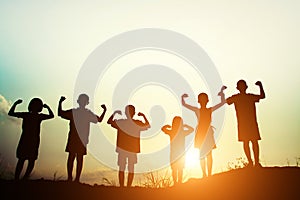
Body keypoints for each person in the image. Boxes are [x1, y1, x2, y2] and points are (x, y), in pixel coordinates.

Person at [58, 94, 107, 182]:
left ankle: (75, 178)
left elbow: (98, 120)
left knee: (76, 157)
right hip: (76, 138)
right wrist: (60, 102)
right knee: (74, 157)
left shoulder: (83, 113)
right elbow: (60, 113)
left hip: (80, 139)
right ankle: (72, 178)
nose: (83, 102)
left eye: (84, 101)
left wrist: (104, 111)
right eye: (82, 100)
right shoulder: (80, 112)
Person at [182, 86, 226, 178]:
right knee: (203, 154)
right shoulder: (198, 110)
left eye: (204, 99)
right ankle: (205, 174)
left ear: (207, 101)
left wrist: (222, 93)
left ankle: (208, 174)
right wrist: (183, 98)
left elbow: (222, 102)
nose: (203, 101)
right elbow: (185, 105)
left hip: (207, 133)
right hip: (202, 133)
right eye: (201, 99)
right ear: (199, 101)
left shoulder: (208, 110)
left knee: (208, 154)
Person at [8, 98, 54, 180]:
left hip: (29, 140)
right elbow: (51, 115)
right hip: (29, 140)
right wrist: (47, 107)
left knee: (26, 160)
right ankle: (20, 178)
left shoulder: (30, 115)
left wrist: (16, 104)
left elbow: (11, 113)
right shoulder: (35, 116)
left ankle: (21, 178)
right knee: (26, 160)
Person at [107, 105, 150, 187]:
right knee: (129, 168)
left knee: (123, 168)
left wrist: (115, 114)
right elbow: (147, 125)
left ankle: (123, 186)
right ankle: (126, 186)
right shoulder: (135, 123)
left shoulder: (122, 122)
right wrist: (143, 116)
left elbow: (109, 122)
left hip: (125, 148)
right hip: (130, 149)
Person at [226, 80, 265, 167]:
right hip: (246, 123)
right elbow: (227, 101)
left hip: (249, 123)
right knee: (248, 142)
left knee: (251, 142)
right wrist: (260, 86)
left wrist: (260, 86)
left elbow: (262, 96)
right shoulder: (241, 97)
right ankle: (252, 162)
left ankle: (255, 162)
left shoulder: (246, 97)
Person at [161, 116, 194, 185]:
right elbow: (192, 129)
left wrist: (166, 126)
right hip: (180, 153)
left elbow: (163, 129)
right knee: (179, 168)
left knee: (175, 169)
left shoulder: (172, 132)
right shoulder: (182, 132)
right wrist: (186, 126)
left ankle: (176, 182)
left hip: (175, 153)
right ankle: (179, 182)